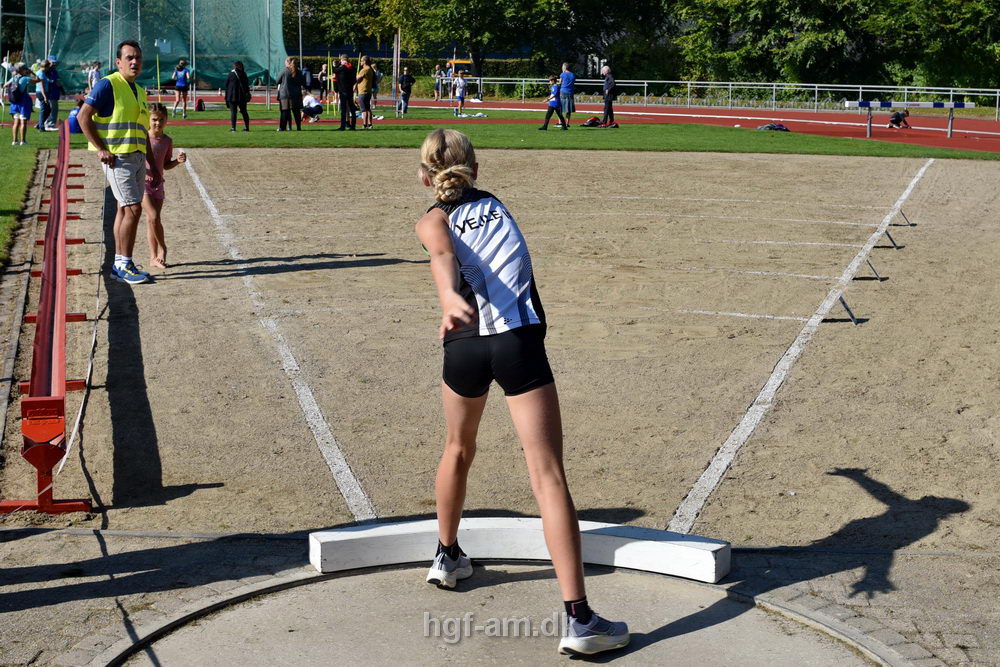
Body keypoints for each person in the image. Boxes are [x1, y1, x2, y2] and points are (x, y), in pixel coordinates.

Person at [414, 128, 630, 657]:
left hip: (462, 345)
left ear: (424, 177)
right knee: (547, 474)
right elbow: (447, 258)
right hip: (516, 342)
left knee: (457, 449)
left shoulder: (428, 217)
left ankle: (446, 556)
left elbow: (440, 250)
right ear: (476, 170)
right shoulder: (497, 206)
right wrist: (447, 291)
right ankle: (579, 618)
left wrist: (448, 300)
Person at [78, 39, 162, 286]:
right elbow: (83, 117)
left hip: (135, 157)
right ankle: (123, 264)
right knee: (134, 209)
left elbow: (140, 130)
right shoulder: (108, 84)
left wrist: (152, 164)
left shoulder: (138, 90)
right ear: (119, 62)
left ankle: (120, 263)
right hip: (117, 158)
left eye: (137, 57)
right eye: (129, 58)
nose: (134, 62)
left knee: (125, 209)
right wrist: (101, 148)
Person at [143, 103, 186, 269]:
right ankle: (163, 249)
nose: (157, 123)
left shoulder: (167, 141)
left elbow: (166, 164)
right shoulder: (143, 137)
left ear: (166, 120)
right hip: (143, 184)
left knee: (152, 220)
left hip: (158, 185)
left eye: (161, 120)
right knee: (153, 216)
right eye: (154, 119)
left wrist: (177, 161)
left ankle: (153, 257)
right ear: (149, 119)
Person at [7, 65, 37, 146]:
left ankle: (14, 141)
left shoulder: (14, 78)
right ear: (23, 70)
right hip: (23, 102)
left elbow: (5, 85)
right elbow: (38, 80)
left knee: (16, 122)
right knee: (23, 122)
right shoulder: (25, 78)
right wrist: (31, 72)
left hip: (15, 102)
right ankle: (23, 141)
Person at [276, 56, 305, 131]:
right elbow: (302, 82)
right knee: (296, 112)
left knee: (284, 112)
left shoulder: (284, 71)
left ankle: (283, 127)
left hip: (285, 94)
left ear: (288, 62)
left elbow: (277, 81)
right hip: (296, 95)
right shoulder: (299, 72)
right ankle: (298, 127)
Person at [225, 60, 252, 132]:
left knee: (233, 112)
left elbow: (227, 86)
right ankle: (247, 128)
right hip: (242, 96)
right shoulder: (244, 74)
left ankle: (233, 128)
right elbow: (246, 86)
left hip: (232, 96)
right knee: (244, 112)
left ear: (235, 66)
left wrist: (226, 98)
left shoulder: (231, 74)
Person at [333, 54, 357, 130]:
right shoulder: (352, 68)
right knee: (351, 108)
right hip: (350, 90)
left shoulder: (343, 67)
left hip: (343, 90)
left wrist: (337, 64)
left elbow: (334, 70)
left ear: (342, 60)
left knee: (343, 109)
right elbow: (354, 79)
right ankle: (353, 125)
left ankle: (343, 126)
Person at [355, 55, 375, 129]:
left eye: (361, 61)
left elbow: (357, 78)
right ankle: (370, 124)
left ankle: (364, 124)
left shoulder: (364, 70)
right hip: (368, 91)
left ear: (364, 62)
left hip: (363, 91)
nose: (360, 62)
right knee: (368, 108)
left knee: (363, 109)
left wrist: (356, 75)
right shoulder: (370, 69)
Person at [34, 60, 52, 132]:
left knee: (48, 110)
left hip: (41, 92)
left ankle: (39, 124)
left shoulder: (40, 72)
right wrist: (45, 96)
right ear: (45, 66)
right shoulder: (41, 73)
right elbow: (41, 86)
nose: (48, 68)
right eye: (48, 67)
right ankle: (41, 127)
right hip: (42, 93)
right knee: (43, 110)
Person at [45, 56, 63, 129]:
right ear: (48, 61)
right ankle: (50, 124)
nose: (54, 64)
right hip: (50, 92)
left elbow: (58, 81)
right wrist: (52, 81)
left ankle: (47, 123)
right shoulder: (47, 71)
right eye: (53, 62)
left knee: (53, 108)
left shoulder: (54, 71)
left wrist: (61, 89)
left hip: (55, 92)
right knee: (52, 109)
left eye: (55, 62)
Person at [559, 63, 576, 127]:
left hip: (563, 91)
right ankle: (567, 123)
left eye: (562, 67)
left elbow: (560, 82)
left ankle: (560, 122)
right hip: (570, 92)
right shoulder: (573, 75)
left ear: (565, 67)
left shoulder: (562, 74)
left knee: (560, 107)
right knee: (568, 108)